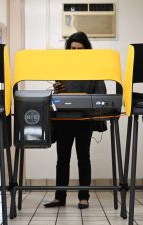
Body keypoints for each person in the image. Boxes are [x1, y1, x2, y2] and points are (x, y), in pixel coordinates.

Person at [44, 32, 106, 209]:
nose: (76, 52)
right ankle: (59, 197)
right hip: (64, 118)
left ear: (86, 50)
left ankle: (84, 197)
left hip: (84, 119)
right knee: (62, 158)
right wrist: (57, 89)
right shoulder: (62, 67)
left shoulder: (94, 69)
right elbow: (58, 96)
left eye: (79, 49)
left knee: (83, 157)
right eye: (72, 49)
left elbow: (100, 93)